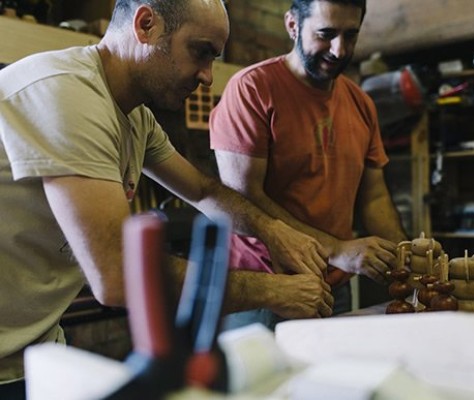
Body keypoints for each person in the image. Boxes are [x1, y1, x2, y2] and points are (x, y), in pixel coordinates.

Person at [0, 0, 333, 397]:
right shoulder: (67, 91)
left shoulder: (134, 117)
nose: (208, 77)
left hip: (33, 350)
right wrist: (273, 291)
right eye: (201, 51)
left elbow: (203, 190)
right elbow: (118, 275)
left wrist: (274, 232)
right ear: (145, 25)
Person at [209, 0, 408, 330]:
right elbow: (243, 198)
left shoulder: (361, 104)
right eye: (326, 34)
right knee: (264, 383)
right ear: (292, 25)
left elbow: (373, 198)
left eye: (350, 35)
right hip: (264, 288)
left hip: (332, 287)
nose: (339, 50)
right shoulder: (252, 90)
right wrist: (339, 249)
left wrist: (405, 256)